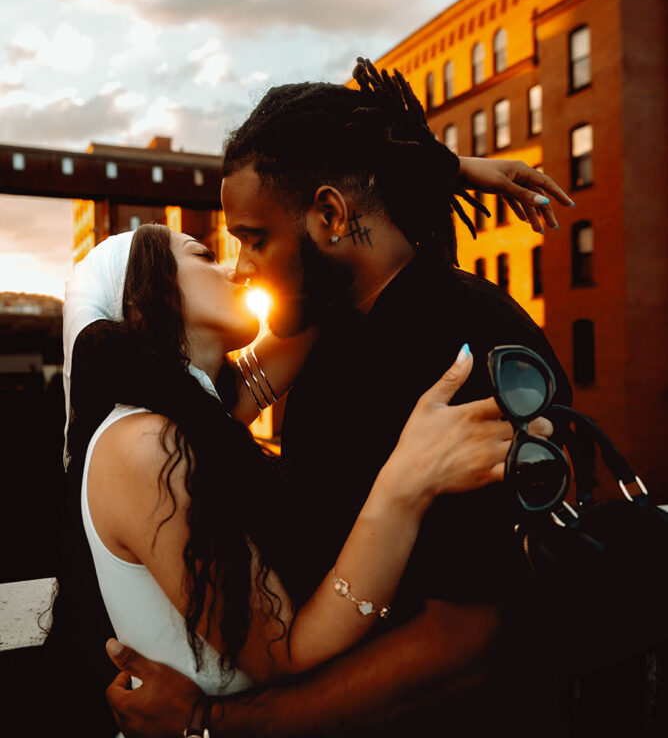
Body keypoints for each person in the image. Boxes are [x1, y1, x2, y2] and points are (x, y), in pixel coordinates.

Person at [103, 59, 575, 738]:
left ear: (328, 214)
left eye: (253, 239)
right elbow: (210, 398)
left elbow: (466, 641)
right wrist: (449, 168)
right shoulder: (332, 327)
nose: (240, 269)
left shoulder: (460, 347)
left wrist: (210, 723)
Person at [54, 221, 553, 738]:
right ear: (142, 297)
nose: (234, 267)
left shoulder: (193, 417)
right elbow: (284, 654)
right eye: (203, 255)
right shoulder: (146, 445)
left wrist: (432, 172)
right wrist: (408, 479)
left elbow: (329, 293)